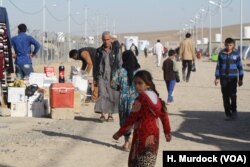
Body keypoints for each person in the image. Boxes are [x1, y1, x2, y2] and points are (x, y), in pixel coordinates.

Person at [113, 70, 171, 167]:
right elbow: (164, 115)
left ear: (147, 84)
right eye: (135, 83)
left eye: (140, 83)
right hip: (154, 135)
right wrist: (167, 132)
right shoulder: (156, 97)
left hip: (142, 136)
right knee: (148, 161)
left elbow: (131, 119)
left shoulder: (141, 99)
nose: (136, 86)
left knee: (136, 162)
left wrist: (119, 133)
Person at [111, 50, 140, 151]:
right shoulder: (139, 72)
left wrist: (120, 88)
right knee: (135, 121)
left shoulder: (119, 71)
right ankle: (131, 140)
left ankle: (127, 142)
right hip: (136, 101)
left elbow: (113, 84)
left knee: (124, 122)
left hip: (123, 101)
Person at [94, 31, 122, 122]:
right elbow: (95, 65)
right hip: (101, 76)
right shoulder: (98, 51)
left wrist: (119, 76)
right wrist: (95, 77)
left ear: (111, 39)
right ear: (102, 40)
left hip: (112, 76)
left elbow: (120, 63)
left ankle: (110, 115)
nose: (106, 41)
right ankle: (102, 114)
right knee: (102, 94)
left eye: (108, 39)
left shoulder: (116, 50)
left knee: (111, 95)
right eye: (104, 39)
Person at [215, 37, 244, 121]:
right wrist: (217, 77)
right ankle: (228, 113)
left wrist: (241, 79)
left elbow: (240, 67)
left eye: (230, 45)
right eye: (227, 45)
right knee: (225, 96)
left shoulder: (236, 55)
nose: (228, 47)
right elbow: (218, 66)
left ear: (233, 45)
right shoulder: (221, 54)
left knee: (233, 95)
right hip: (223, 78)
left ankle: (234, 111)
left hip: (233, 78)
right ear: (225, 45)